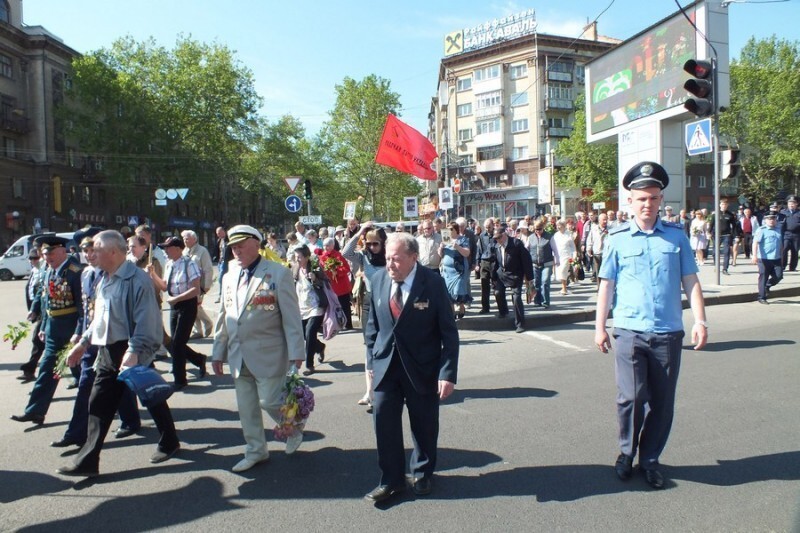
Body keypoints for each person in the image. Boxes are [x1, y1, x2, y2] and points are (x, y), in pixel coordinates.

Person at [595, 161, 708, 490]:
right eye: (641, 198)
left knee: (661, 402)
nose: (648, 204)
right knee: (629, 398)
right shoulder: (616, 239)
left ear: (661, 201)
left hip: (668, 333)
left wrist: (700, 319)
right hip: (629, 331)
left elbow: (691, 280)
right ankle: (626, 452)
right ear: (629, 201)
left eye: (654, 198)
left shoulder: (676, 237)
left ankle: (650, 459)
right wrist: (599, 326)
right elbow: (606, 286)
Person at [58, 230, 180, 477]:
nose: (91, 254)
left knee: (151, 396)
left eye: (97, 249)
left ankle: (169, 441)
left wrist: (134, 352)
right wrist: (83, 344)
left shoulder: (137, 280)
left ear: (113, 251)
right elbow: (100, 319)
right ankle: (88, 461)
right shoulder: (104, 278)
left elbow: (147, 320)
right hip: (108, 349)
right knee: (99, 402)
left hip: (132, 347)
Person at [363, 232, 459, 503]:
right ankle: (391, 480)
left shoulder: (433, 283)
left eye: (396, 259)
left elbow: (449, 333)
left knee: (424, 423)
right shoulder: (379, 279)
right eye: (387, 259)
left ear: (413, 258)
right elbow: (372, 326)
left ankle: (423, 472)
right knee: (383, 421)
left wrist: (447, 373)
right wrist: (371, 360)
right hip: (386, 367)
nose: (390, 265)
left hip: (422, 368)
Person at [211, 225, 306, 472]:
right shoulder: (229, 275)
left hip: (269, 352)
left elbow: (291, 316)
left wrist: (297, 352)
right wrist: (217, 351)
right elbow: (225, 316)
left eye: (241, 244)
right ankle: (256, 450)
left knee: (269, 401)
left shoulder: (277, 272)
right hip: (237, 354)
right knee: (247, 408)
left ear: (257, 243)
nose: (236, 250)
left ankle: (293, 425)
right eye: (232, 246)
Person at [52, 231, 141, 448]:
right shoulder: (85, 275)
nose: (90, 255)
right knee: (87, 385)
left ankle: (132, 421)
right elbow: (87, 311)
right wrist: (80, 336)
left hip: (113, 338)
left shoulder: (113, 273)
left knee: (120, 384)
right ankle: (77, 433)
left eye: (94, 250)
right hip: (92, 337)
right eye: (86, 251)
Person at [11, 235, 83, 425]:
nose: (47, 257)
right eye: (44, 254)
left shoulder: (76, 272)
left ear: (61, 251)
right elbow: (44, 299)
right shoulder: (47, 271)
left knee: (84, 374)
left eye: (50, 253)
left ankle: (108, 406)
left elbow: (83, 308)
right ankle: (35, 411)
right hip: (53, 331)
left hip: (72, 332)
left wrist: (80, 332)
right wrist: (39, 320)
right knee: (47, 370)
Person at [148, 236, 207, 389]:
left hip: (188, 304)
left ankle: (180, 380)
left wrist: (177, 299)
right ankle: (199, 359)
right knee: (175, 343)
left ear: (178, 249)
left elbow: (195, 289)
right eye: (165, 248)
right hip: (175, 305)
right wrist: (153, 274)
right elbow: (164, 287)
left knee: (179, 343)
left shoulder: (189, 263)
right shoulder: (169, 265)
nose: (166, 251)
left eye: (168, 247)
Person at [342, 222, 387, 410]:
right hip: (369, 303)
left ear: (383, 243)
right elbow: (345, 252)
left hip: (388, 302)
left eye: (375, 243)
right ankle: (370, 392)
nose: (371, 247)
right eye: (368, 243)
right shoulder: (363, 257)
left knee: (387, 345)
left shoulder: (390, 257)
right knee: (369, 347)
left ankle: (387, 388)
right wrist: (360, 231)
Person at [292, 245, 327, 376]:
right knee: (303, 334)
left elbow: (325, 283)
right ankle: (319, 347)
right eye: (296, 257)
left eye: (300, 257)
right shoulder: (295, 268)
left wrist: (315, 279)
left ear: (307, 257)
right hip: (301, 307)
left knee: (310, 333)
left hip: (316, 306)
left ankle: (309, 366)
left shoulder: (315, 267)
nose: (298, 259)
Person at [491, 225, 533, 333]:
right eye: (495, 238)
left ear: (504, 235)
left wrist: (529, 277)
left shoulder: (516, 243)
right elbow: (495, 263)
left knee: (516, 299)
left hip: (515, 274)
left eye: (499, 237)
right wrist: (494, 278)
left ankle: (520, 323)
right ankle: (503, 311)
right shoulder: (496, 246)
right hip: (502, 274)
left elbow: (526, 260)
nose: (498, 240)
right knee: (498, 293)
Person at [18, 248, 45, 382]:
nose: (32, 261)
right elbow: (33, 292)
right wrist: (33, 310)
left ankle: (30, 370)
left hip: (47, 312)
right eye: (30, 258)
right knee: (40, 342)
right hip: (39, 311)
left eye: (35, 258)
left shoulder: (45, 270)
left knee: (38, 340)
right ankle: (30, 370)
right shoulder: (34, 271)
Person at [181, 230, 215, 338]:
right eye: (183, 238)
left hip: (199, 284)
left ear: (194, 239)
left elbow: (208, 269)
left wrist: (207, 285)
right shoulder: (184, 251)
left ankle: (207, 323)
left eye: (187, 238)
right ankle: (198, 330)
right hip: (187, 285)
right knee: (193, 307)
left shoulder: (202, 251)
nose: (184, 241)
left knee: (195, 306)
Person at [317, 237, 353, 330]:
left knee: (344, 305)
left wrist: (337, 271)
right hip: (330, 286)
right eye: (324, 245)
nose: (326, 247)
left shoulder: (338, 256)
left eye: (328, 245)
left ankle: (348, 324)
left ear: (333, 245)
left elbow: (346, 268)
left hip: (341, 285)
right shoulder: (322, 257)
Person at [438, 221, 471, 319]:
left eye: (451, 229)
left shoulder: (463, 239)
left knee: (458, 290)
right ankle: (451, 312)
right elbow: (441, 255)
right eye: (447, 229)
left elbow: (467, 253)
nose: (448, 231)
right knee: (448, 291)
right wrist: (440, 248)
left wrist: (457, 246)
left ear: (456, 230)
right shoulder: (445, 240)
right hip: (447, 271)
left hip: (459, 270)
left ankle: (461, 307)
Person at [526, 218, 559, 307]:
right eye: (536, 229)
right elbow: (526, 250)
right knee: (536, 283)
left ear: (543, 227)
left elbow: (555, 250)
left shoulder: (549, 237)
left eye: (540, 229)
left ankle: (545, 302)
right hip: (534, 264)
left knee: (545, 282)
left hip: (547, 264)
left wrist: (557, 260)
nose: (538, 231)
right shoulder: (530, 238)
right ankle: (537, 301)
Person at [752, 213, 783, 304]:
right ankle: (761, 297)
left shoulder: (778, 230)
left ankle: (767, 286)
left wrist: (781, 256)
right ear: (765, 220)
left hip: (776, 258)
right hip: (764, 258)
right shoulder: (761, 230)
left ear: (776, 220)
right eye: (769, 219)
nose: (771, 221)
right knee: (763, 277)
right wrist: (754, 256)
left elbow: (780, 244)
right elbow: (755, 243)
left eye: (773, 219)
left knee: (779, 276)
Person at [708, 199, 740, 274]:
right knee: (715, 252)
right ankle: (716, 265)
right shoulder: (715, 214)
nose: (724, 206)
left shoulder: (730, 215)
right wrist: (708, 232)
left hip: (727, 235)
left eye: (725, 205)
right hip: (717, 235)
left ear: (727, 205)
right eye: (722, 204)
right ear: (720, 205)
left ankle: (725, 268)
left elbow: (734, 226)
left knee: (726, 252)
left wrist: (736, 236)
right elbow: (711, 224)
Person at [475, 218, 496, 313]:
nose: (487, 229)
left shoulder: (497, 235)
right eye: (486, 227)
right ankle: (485, 307)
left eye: (489, 227)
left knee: (497, 286)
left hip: (495, 262)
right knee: (484, 286)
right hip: (484, 262)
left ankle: (501, 307)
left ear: (493, 226)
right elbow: (479, 250)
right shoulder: (482, 236)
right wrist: (477, 263)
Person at [552, 219, 577, 295]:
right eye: (557, 226)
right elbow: (553, 246)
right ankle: (564, 287)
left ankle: (564, 288)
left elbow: (572, 246)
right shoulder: (556, 235)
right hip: (558, 256)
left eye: (560, 225)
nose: (558, 227)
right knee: (560, 273)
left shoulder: (569, 234)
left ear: (564, 226)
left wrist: (574, 255)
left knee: (563, 271)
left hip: (567, 256)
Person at [585, 213, 609, 284]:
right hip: (597, 253)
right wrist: (588, 249)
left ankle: (606, 288)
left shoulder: (610, 228)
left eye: (606, 220)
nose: (605, 221)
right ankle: (599, 288)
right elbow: (590, 239)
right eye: (603, 220)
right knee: (598, 272)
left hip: (607, 253)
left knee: (606, 272)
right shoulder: (594, 229)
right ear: (599, 220)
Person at [213, 226, 233, 302]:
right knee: (224, 279)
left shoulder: (229, 239)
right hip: (220, 262)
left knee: (221, 279)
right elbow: (218, 250)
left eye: (219, 233)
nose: (218, 235)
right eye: (217, 233)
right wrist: (216, 258)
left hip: (227, 262)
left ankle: (221, 296)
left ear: (223, 231)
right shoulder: (219, 240)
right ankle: (225, 295)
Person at [780, 195, 800, 271]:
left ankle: (792, 267)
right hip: (786, 234)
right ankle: (782, 266)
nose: (791, 204)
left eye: (793, 203)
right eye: (790, 203)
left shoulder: (799, 212)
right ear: (787, 204)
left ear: (796, 204)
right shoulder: (783, 212)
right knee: (784, 250)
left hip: (797, 235)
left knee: (795, 251)